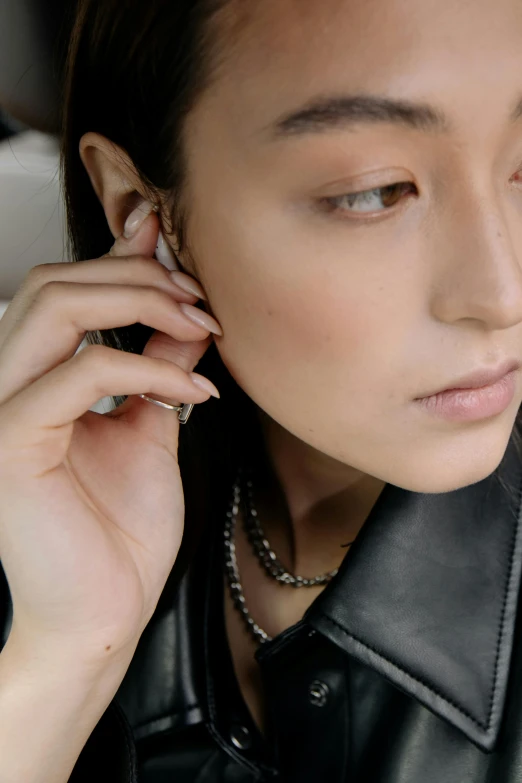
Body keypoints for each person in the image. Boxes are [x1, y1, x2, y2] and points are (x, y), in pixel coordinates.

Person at [2, 0, 522, 780]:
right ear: (144, 209)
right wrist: (60, 663)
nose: (502, 292)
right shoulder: (38, 512)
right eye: (375, 191)